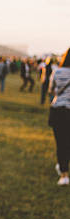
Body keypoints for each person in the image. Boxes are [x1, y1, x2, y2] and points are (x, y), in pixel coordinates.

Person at [48, 49, 70, 186]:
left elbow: (51, 90)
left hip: (59, 111)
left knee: (61, 143)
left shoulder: (57, 71)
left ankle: (64, 175)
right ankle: (63, 165)